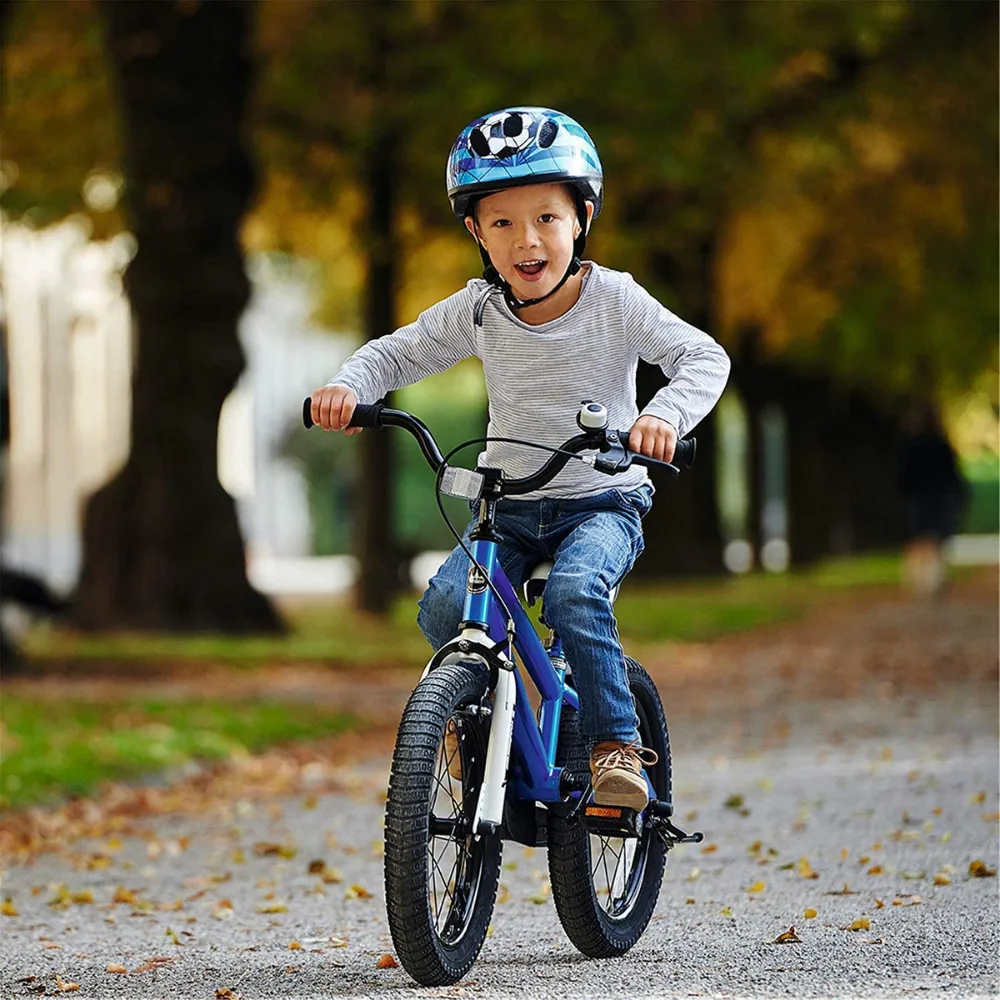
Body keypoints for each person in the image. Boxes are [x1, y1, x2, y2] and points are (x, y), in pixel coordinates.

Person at [310, 107, 730, 810]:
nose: (526, 240)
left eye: (546, 218)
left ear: (581, 220)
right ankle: (475, 721)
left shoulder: (615, 300)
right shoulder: (478, 311)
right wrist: (349, 387)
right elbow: (397, 351)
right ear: (476, 232)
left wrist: (662, 416)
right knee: (445, 606)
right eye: (501, 223)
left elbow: (701, 356)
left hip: (602, 499)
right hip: (507, 507)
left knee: (573, 594)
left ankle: (615, 745)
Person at [898, 403, 967, 598]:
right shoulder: (941, 445)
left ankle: (921, 582)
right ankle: (932, 581)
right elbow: (952, 474)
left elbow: (903, 476)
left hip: (919, 497)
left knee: (920, 539)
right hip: (939, 496)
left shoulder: (910, 445)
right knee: (935, 541)